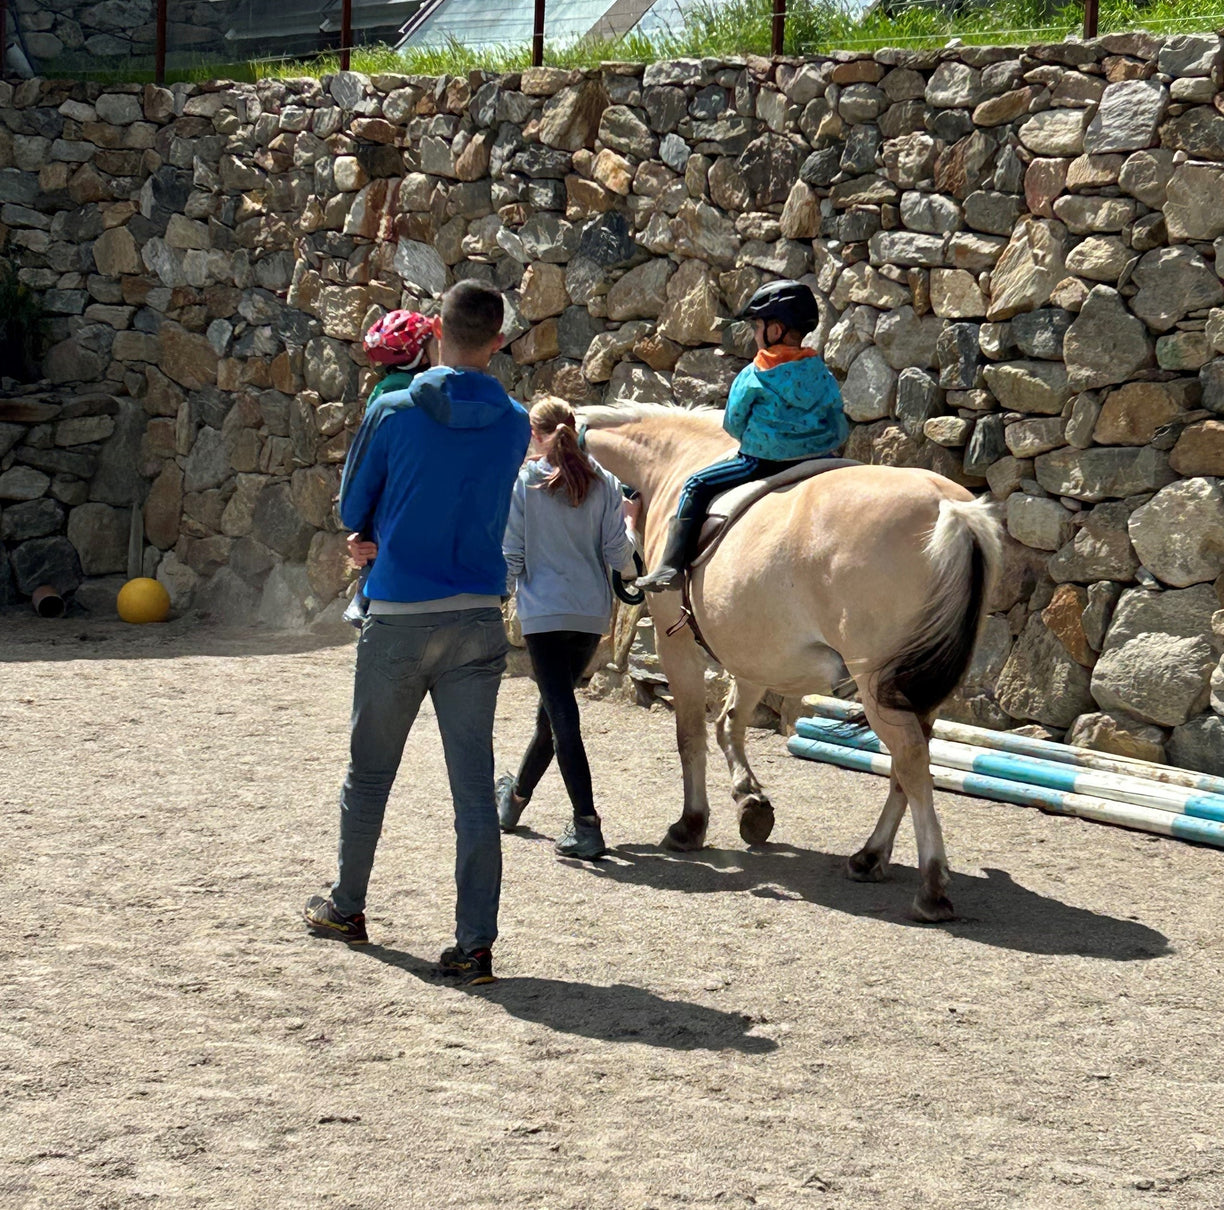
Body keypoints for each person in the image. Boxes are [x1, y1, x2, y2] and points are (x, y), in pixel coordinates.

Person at [304, 282, 531, 987]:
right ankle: (474, 946)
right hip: (475, 617)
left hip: (399, 611)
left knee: (368, 774)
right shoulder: (517, 422)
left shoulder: (392, 409)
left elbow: (351, 504)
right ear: (497, 341)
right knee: (471, 793)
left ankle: (347, 907)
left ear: (435, 331)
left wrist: (368, 535)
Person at [633, 280, 848, 593]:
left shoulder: (753, 374)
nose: (755, 333)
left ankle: (670, 566)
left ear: (775, 330)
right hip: (820, 458)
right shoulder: (821, 373)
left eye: (757, 326)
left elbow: (733, 424)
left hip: (762, 462)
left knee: (696, 485)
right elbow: (838, 423)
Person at [495, 397, 637, 861]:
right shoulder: (606, 483)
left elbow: (512, 554)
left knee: (562, 717)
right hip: (590, 616)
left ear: (536, 435)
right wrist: (632, 533)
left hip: (543, 617)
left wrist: (496, 599)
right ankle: (512, 801)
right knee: (551, 716)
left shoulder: (525, 484)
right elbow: (620, 558)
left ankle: (587, 825)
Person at [346, 310, 441, 626]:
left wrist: (358, 526)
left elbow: (366, 473)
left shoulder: (383, 392)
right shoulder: (423, 391)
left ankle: (363, 597)